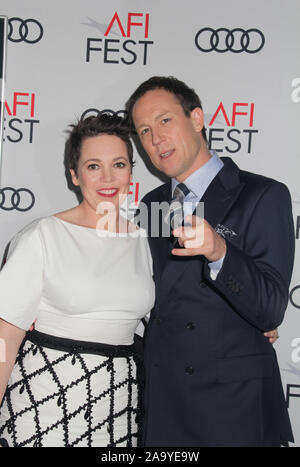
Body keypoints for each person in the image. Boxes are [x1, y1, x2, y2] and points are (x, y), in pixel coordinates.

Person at [126, 76, 295, 447]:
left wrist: (220, 252)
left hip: (233, 409)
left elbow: (269, 308)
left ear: (197, 118)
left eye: (165, 120)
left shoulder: (263, 195)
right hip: (166, 404)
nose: (155, 139)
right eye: (144, 130)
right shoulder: (151, 204)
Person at [0, 114, 155, 447]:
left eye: (119, 164)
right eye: (93, 166)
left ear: (131, 170)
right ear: (74, 174)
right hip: (43, 407)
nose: (108, 177)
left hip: (118, 408)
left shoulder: (144, 240)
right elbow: (5, 337)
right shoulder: (43, 236)